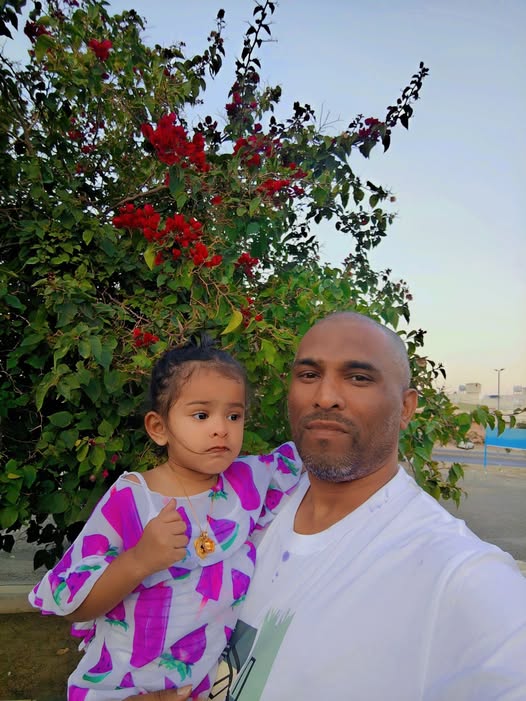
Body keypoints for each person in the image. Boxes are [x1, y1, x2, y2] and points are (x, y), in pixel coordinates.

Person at [132, 311, 526, 701]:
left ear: (406, 408)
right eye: (308, 375)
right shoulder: (247, 505)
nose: (324, 397)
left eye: (359, 378)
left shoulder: (460, 576)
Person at [29, 336, 303, 700]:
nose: (221, 428)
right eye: (201, 415)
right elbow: (75, 604)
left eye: (234, 415)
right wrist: (139, 560)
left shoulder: (249, 480)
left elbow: (313, 456)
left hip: (205, 686)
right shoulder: (133, 498)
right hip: (121, 686)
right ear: (159, 428)